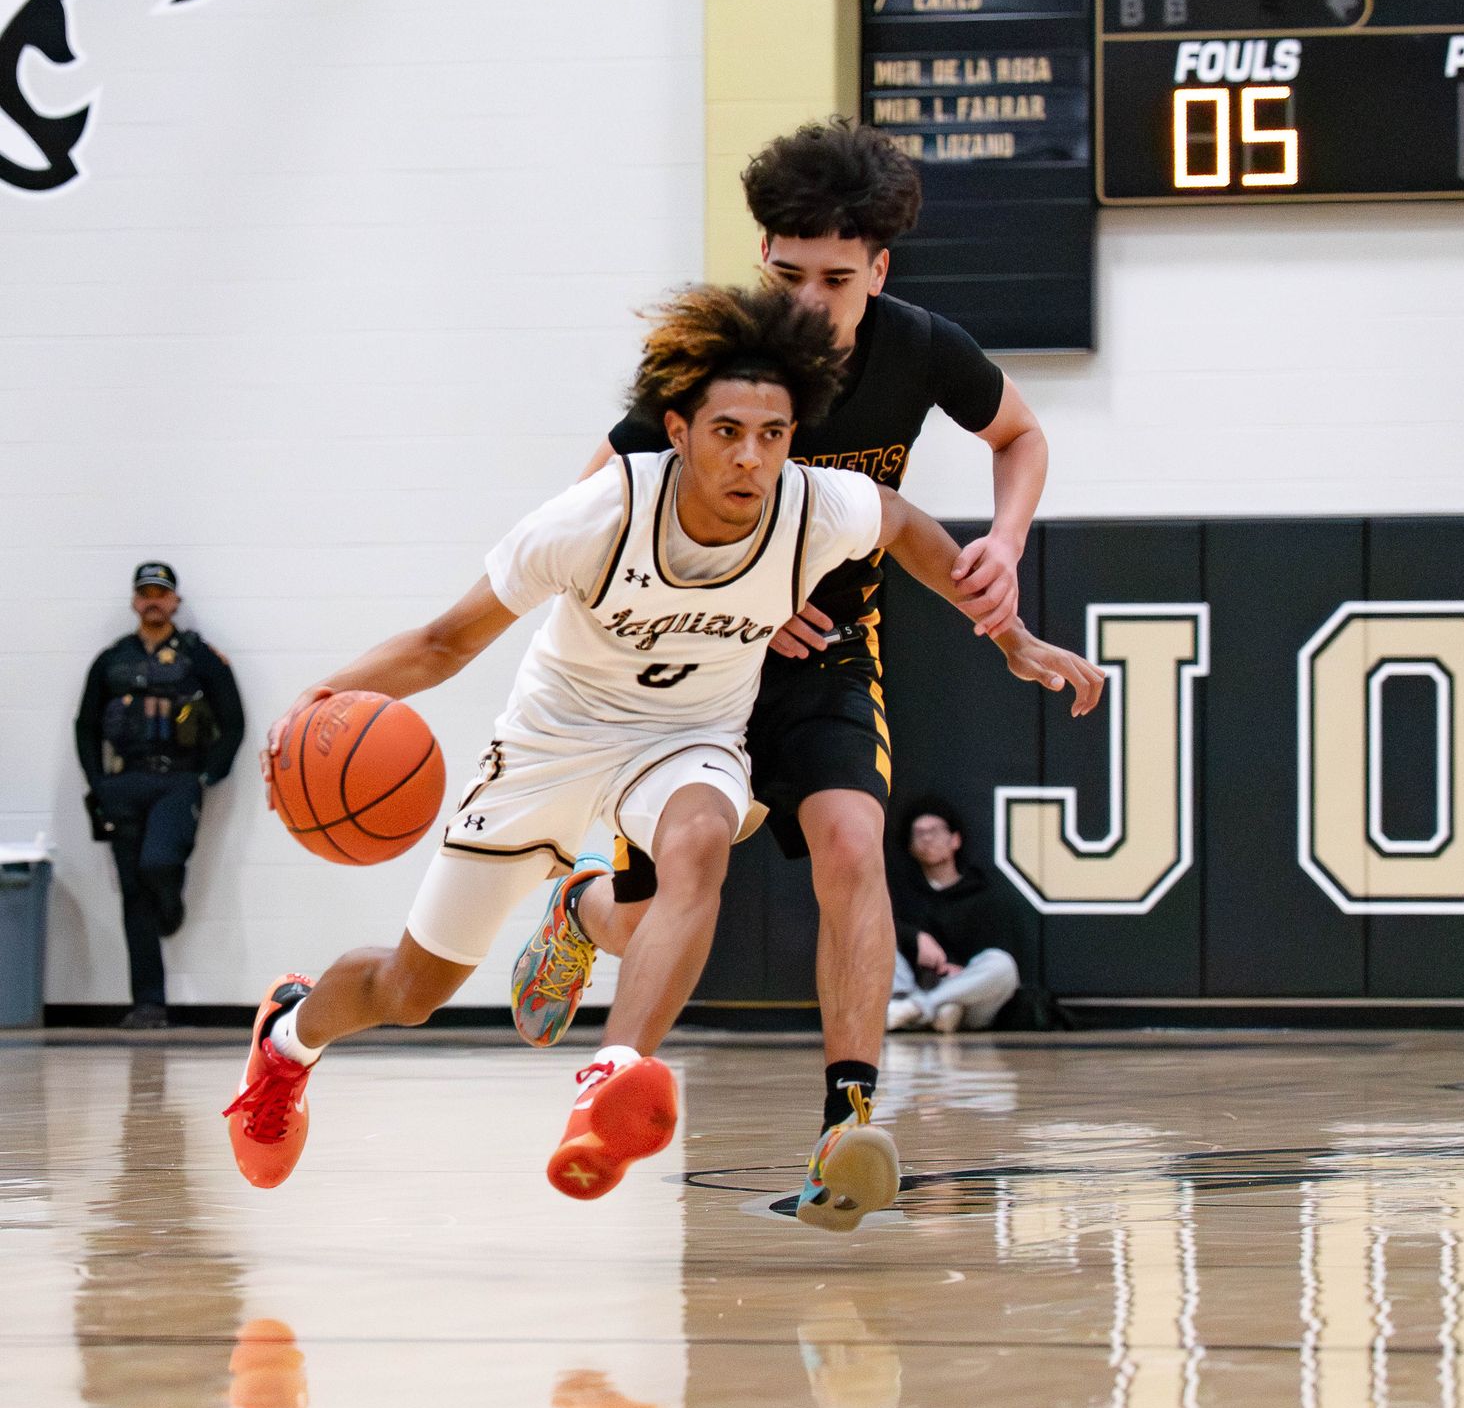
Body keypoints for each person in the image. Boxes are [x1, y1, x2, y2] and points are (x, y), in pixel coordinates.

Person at [229, 284, 1096, 1213]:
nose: (752, 456)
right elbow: (444, 643)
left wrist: (1013, 638)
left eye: (773, 434)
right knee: (411, 989)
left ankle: (611, 1076)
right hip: (554, 740)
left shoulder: (817, 508)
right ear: (677, 431)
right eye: (728, 432)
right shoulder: (594, 517)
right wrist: (319, 699)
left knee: (700, 843)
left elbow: (912, 531)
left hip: (688, 740)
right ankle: (288, 1037)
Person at [508, 118, 1100, 1219]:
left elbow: (1020, 436)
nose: (810, 302)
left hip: (832, 652)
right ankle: (582, 913)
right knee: (655, 910)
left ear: (879, 271)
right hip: (698, 665)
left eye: (836, 278)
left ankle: (848, 1124)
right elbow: (593, 509)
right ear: (762, 262)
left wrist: (1007, 550)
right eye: (788, 276)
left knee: (852, 843)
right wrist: (727, 592)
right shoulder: (722, 359)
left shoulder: (921, 348)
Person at [74, 561, 244, 1027]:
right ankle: (148, 1003)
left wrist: (209, 775)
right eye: (145, 593)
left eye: (161, 594)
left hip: (178, 779)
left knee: (158, 862)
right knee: (133, 895)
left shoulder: (198, 657)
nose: (153, 601)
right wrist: (97, 782)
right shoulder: (112, 660)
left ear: (175, 602)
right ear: (135, 601)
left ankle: (171, 904)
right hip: (124, 782)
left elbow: (232, 721)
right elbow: (86, 726)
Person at [886, 798, 1030, 1034]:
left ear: (955, 840)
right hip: (915, 987)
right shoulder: (903, 892)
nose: (927, 839)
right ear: (910, 846)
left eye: (934, 831)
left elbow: (999, 954)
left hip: (968, 997)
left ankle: (922, 1008)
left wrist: (960, 971)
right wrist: (916, 937)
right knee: (881, 939)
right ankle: (934, 1010)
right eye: (919, 833)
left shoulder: (982, 893)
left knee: (1002, 965)